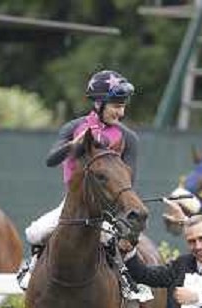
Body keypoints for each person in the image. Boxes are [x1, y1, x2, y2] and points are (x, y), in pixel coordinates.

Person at [18, 70, 138, 290]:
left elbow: (130, 182)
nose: (121, 113)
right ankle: (33, 268)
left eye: (123, 106)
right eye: (116, 106)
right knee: (34, 232)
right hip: (74, 202)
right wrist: (74, 145)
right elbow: (50, 160)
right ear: (99, 103)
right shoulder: (74, 128)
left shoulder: (128, 138)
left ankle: (125, 282)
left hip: (110, 207)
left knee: (110, 240)